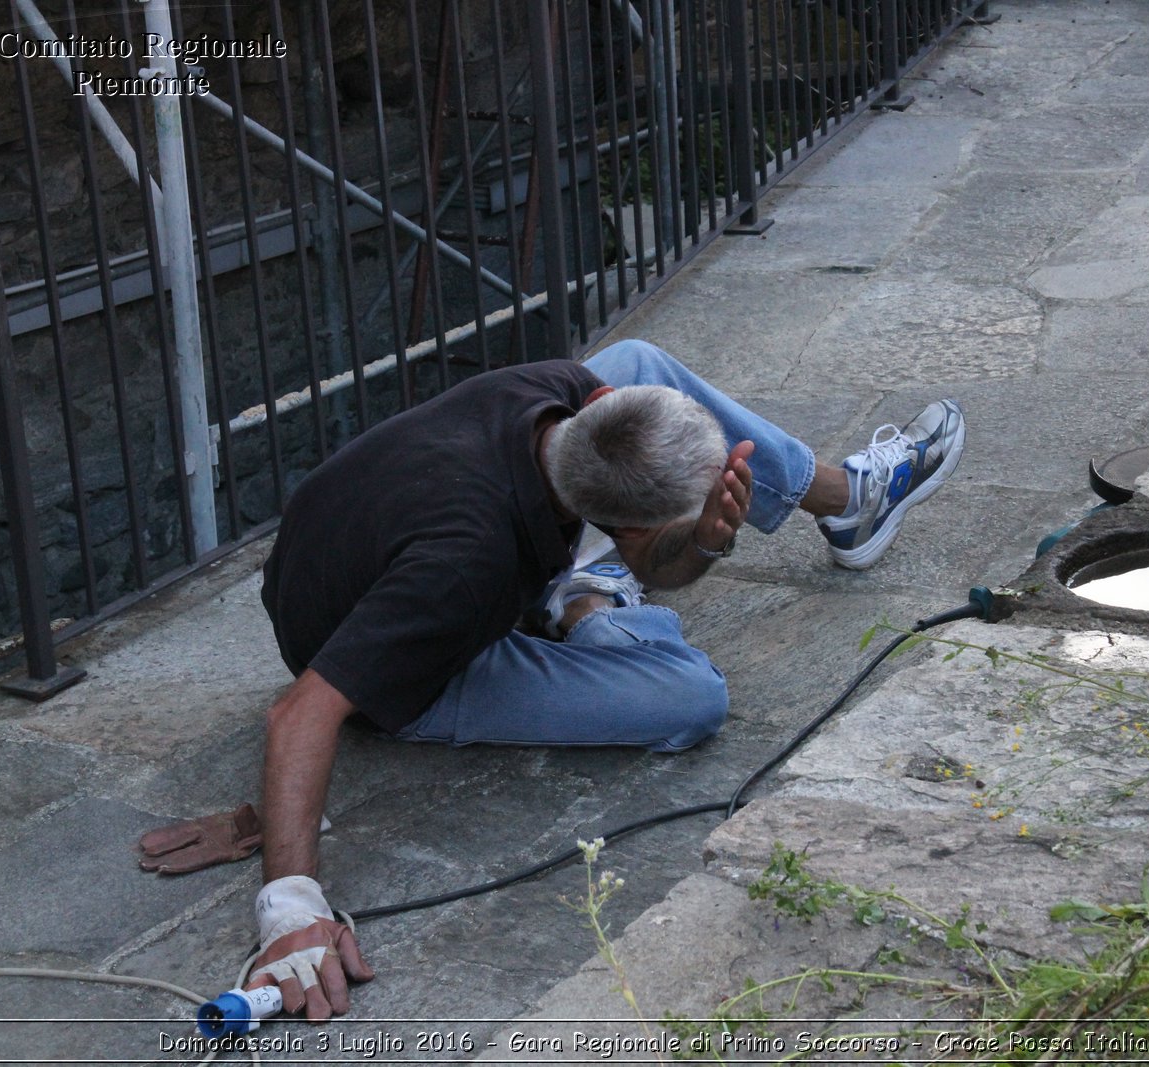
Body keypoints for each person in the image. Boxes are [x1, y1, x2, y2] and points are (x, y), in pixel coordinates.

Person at [177, 339, 965, 1023]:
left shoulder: (555, 393)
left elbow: (664, 547)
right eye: (665, 530)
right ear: (626, 533)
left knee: (642, 359)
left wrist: (711, 541)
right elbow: (300, 713)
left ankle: (845, 499)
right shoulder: (464, 567)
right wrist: (290, 908)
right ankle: (587, 598)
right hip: (402, 652)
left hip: (371, 541)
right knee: (691, 699)